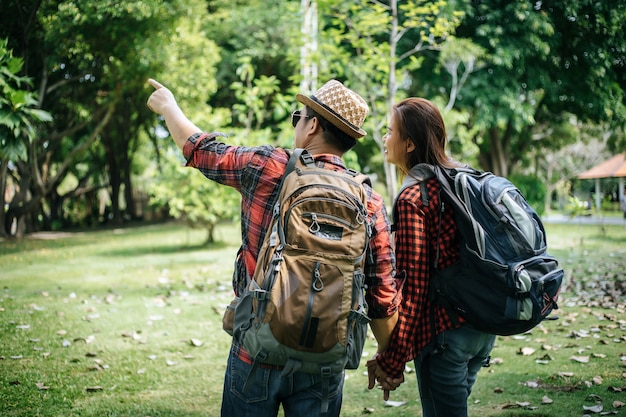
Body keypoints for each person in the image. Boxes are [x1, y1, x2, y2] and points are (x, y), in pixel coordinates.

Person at [146, 78, 400, 417]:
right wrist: (388, 360)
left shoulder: (269, 166)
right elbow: (382, 294)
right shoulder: (369, 199)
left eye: (299, 117)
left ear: (312, 125)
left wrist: (168, 106)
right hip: (325, 360)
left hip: (256, 350)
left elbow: (202, 149)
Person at [366, 97, 496, 416]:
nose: (384, 138)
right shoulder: (461, 179)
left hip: (445, 337)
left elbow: (414, 290)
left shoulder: (414, 197)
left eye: (389, 131)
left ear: (409, 143)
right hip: (481, 329)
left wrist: (392, 361)